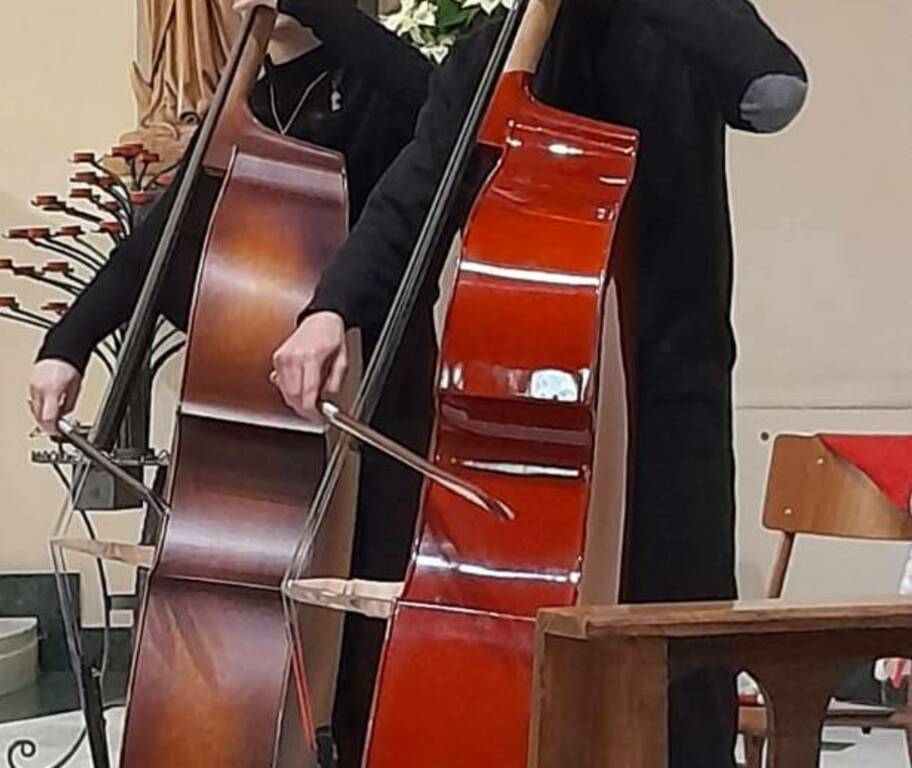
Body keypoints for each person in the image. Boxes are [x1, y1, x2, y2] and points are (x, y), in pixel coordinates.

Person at [271, 0, 808, 765]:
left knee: (680, 684)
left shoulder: (676, 32)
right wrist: (330, 311)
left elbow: (774, 91)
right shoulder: (493, 53)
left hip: (666, 415)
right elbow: (413, 193)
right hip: (531, 430)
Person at [26, 1, 434, 764]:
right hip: (265, 416)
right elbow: (161, 237)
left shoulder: (374, 78)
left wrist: (323, 12)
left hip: (376, 393)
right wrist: (68, 341)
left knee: (365, 632)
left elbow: (432, 98)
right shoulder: (244, 103)